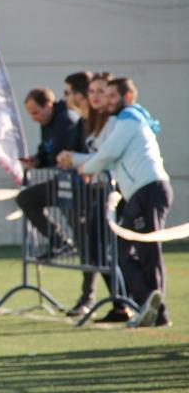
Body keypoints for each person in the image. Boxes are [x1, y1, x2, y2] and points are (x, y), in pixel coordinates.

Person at [79, 77, 172, 327]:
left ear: (128, 97)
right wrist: (84, 163)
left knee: (147, 252)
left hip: (148, 190)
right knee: (123, 252)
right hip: (139, 193)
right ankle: (148, 305)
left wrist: (85, 168)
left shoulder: (129, 117)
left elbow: (107, 153)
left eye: (112, 96)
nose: (107, 101)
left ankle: (158, 313)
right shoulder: (124, 119)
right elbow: (106, 156)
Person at [58, 72, 133, 321]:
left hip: (114, 191)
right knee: (97, 251)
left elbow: (104, 158)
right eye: (93, 92)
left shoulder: (115, 120)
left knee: (111, 251)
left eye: (102, 92)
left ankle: (126, 303)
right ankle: (120, 302)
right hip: (98, 190)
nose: (96, 97)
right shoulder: (93, 120)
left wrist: (76, 160)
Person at [15, 87, 77, 259]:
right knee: (26, 198)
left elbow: (58, 156)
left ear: (48, 105)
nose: (34, 118)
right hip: (64, 182)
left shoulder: (65, 120)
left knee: (89, 244)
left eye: (36, 112)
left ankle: (60, 242)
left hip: (76, 184)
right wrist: (36, 161)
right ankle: (59, 242)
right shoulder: (47, 123)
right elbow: (46, 152)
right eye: (30, 114)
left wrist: (43, 160)